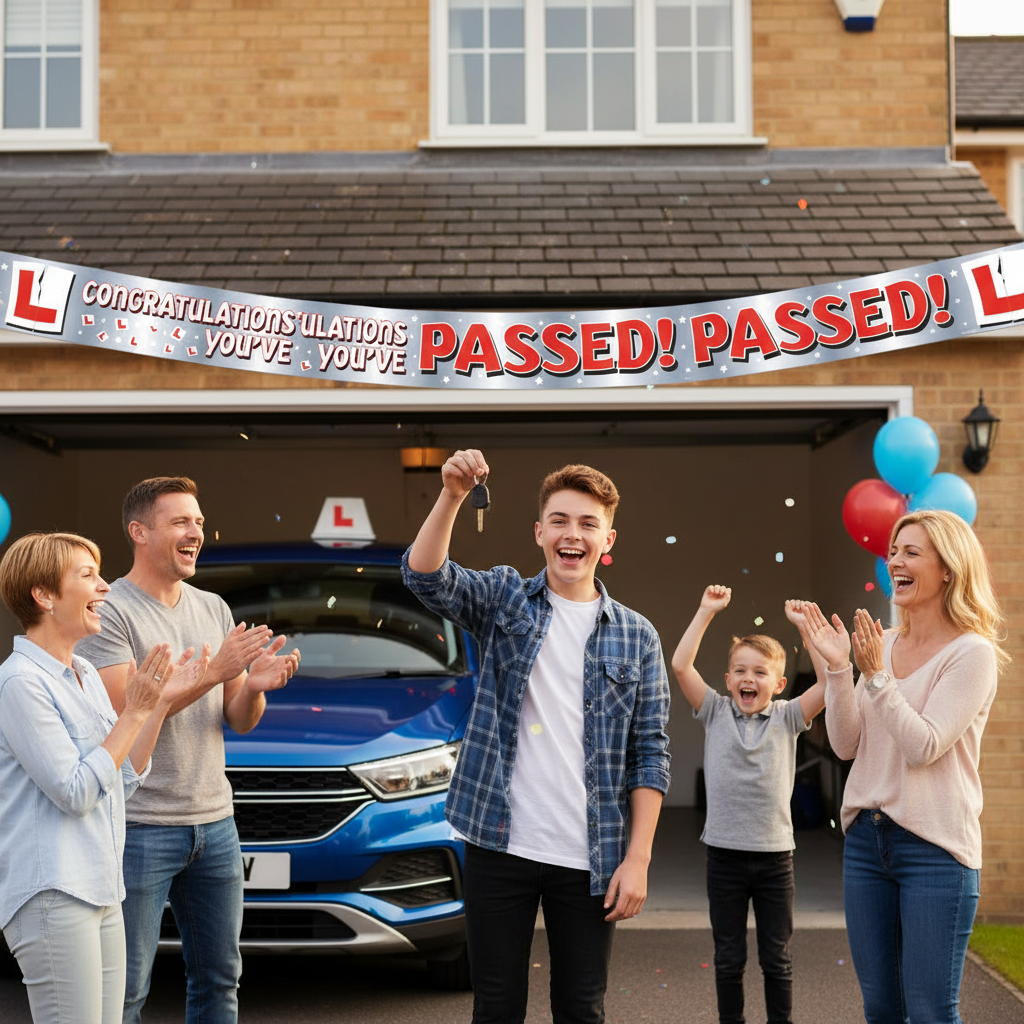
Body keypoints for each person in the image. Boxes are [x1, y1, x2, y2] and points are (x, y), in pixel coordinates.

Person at [402, 450, 671, 1024]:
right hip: (499, 843)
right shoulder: (505, 599)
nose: (573, 534)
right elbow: (425, 576)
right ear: (539, 532)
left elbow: (649, 753)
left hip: (590, 855)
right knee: (496, 1007)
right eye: (560, 520)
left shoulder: (638, 636)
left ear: (607, 540)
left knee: (581, 1008)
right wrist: (451, 494)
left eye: (588, 524)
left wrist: (639, 859)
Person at [75, 477, 300, 1024]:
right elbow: (127, 719)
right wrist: (216, 672)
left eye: (198, 522)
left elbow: (238, 720)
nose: (195, 532)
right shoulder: (110, 612)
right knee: (126, 989)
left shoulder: (213, 607)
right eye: (180, 522)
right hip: (140, 826)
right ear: (139, 532)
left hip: (215, 825)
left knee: (220, 981)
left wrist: (252, 687)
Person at [804, 509, 1007, 1024]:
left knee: (930, 1011)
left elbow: (924, 746)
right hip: (866, 845)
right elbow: (846, 745)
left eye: (911, 552)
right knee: (881, 1008)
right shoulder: (885, 643)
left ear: (948, 569)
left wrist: (875, 677)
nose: (895, 561)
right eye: (893, 551)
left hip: (936, 850)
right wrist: (839, 669)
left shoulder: (972, 654)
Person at [0, 532, 210, 1024]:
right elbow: (75, 792)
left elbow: (123, 778)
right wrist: (133, 712)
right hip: (53, 893)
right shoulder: (19, 682)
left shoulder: (85, 674)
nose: (105, 587)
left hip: (102, 888)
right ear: (44, 595)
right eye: (88, 576)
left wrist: (156, 704)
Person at [671, 587, 827, 1024]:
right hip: (724, 858)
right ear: (728, 680)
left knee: (777, 958)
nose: (749, 678)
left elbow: (828, 683)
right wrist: (705, 612)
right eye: (740, 670)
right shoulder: (715, 711)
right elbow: (681, 665)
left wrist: (805, 630)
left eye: (760, 672)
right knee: (728, 957)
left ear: (778, 685)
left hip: (775, 860)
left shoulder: (789, 716)